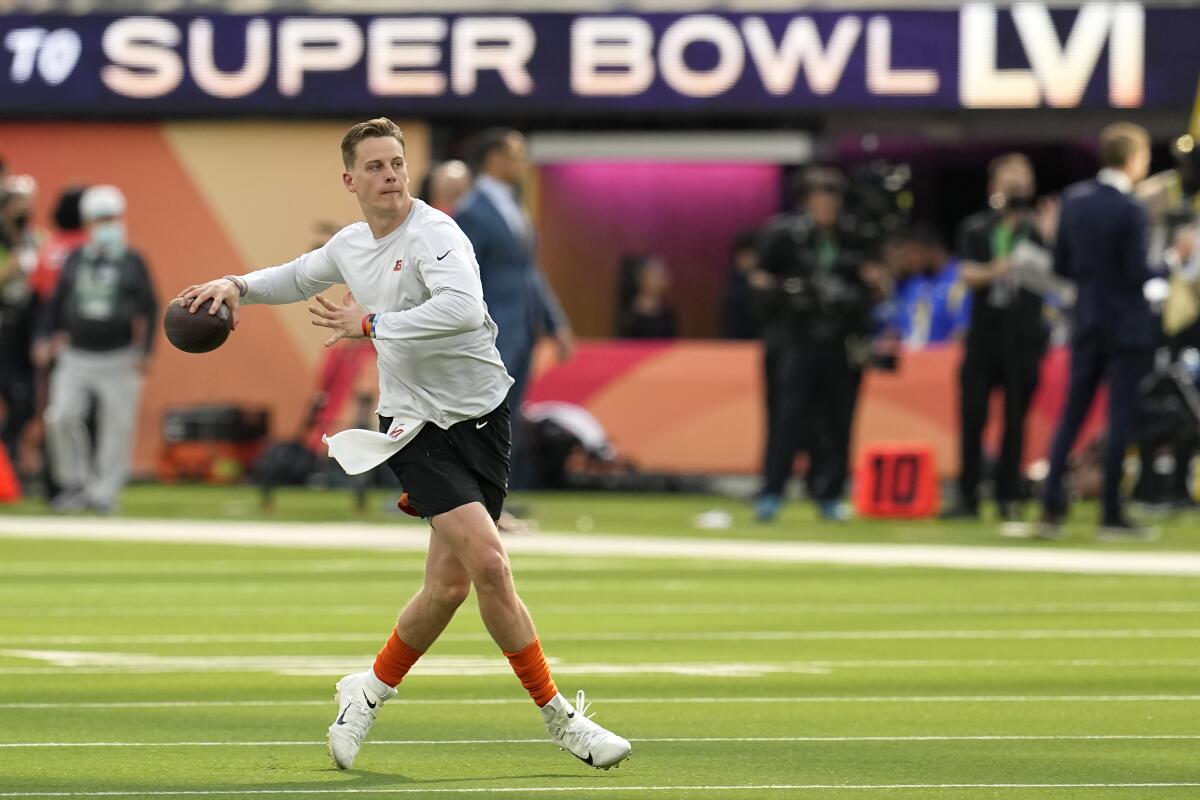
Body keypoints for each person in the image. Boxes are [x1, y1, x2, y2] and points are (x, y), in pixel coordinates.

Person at [177, 118, 630, 772]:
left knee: (446, 591)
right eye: (377, 166)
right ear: (350, 180)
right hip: (417, 428)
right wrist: (237, 286)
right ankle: (561, 719)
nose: (391, 175)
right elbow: (298, 275)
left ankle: (368, 689)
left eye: (397, 163)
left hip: (482, 419)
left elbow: (464, 310)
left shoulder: (436, 232)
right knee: (492, 566)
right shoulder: (353, 243)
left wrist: (370, 323)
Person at [1039, 122, 1156, 539]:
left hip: (1086, 318)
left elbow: (1060, 267)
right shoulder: (1131, 208)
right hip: (1125, 323)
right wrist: (1174, 263)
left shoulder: (1074, 200)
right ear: (1131, 159)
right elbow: (1138, 272)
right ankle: (1111, 512)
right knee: (1120, 416)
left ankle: (1051, 507)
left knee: (1072, 414)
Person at [455, 129, 574, 492]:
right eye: (515, 154)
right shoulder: (473, 211)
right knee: (484, 413)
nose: (522, 163)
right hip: (491, 329)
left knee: (507, 416)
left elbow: (529, 272)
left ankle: (493, 498)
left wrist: (556, 323)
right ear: (494, 158)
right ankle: (469, 497)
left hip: (522, 329)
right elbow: (463, 274)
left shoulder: (513, 206)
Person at [754, 168, 875, 522]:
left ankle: (829, 493)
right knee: (786, 419)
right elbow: (760, 280)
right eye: (818, 199)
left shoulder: (853, 237)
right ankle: (772, 491)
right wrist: (789, 294)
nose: (825, 207)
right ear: (806, 203)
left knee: (838, 420)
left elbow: (872, 283)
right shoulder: (784, 236)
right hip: (797, 340)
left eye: (831, 199)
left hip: (840, 341)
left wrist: (858, 293)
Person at [943, 154, 1052, 522]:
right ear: (994, 188)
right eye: (1010, 181)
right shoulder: (977, 228)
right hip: (984, 335)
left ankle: (1009, 495)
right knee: (973, 416)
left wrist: (1049, 239)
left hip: (1024, 336)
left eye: (1023, 181)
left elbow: (1058, 279)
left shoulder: (1038, 230)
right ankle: (967, 496)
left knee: (1016, 421)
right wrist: (997, 269)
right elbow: (967, 273)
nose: (1017, 187)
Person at [37, 185, 157, 514]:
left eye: (111, 218)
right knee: (60, 416)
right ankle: (75, 483)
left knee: (117, 427)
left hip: (119, 355)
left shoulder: (133, 260)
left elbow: (151, 305)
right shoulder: (75, 258)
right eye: (100, 219)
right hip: (76, 354)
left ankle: (105, 492)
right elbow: (56, 302)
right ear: (88, 222)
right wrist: (45, 337)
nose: (107, 225)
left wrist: (146, 351)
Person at [0, 175, 43, 471]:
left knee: (24, 400)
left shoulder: (36, 240)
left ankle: (10, 458)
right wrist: (11, 267)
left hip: (26, 330)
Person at [615, 254, 677, 338]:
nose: (661, 280)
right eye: (655, 275)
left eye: (662, 275)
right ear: (642, 278)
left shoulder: (668, 315)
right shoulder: (630, 316)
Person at [718, 231, 762, 340]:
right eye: (745, 256)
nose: (750, 260)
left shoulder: (764, 278)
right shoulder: (733, 281)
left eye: (753, 255)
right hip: (737, 340)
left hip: (759, 340)